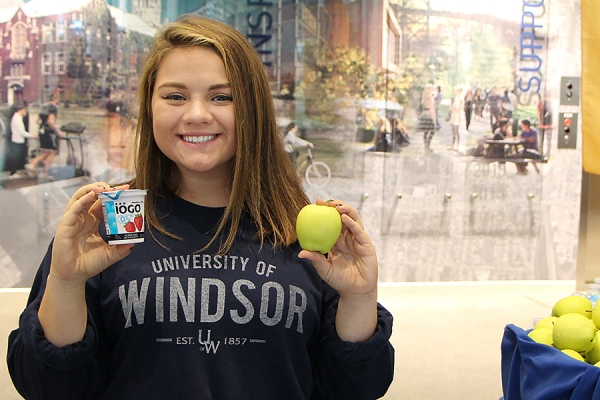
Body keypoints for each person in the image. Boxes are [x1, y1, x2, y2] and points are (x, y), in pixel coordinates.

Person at [7, 15, 394, 400]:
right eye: (175, 96)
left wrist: (359, 298)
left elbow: (355, 388)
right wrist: (65, 282)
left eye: (222, 96)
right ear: (150, 107)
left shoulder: (302, 228)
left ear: (253, 109)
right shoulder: (112, 216)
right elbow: (49, 388)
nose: (195, 114)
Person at [25, 94, 65, 179]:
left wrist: (43, 125)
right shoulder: (54, 108)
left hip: (41, 131)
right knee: (52, 152)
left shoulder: (44, 107)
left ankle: (33, 164)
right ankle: (43, 172)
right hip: (49, 133)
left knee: (46, 152)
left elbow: (36, 121)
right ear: (56, 100)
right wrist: (58, 132)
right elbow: (50, 121)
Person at [6, 103, 37, 178]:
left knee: (16, 156)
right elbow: (22, 132)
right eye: (24, 110)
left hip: (16, 139)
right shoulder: (18, 119)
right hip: (17, 140)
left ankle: (14, 172)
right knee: (15, 157)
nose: (25, 112)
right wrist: (32, 135)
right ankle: (13, 173)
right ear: (21, 110)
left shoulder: (16, 117)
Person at [418, 84, 437, 153]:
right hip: (429, 115)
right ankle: (427, 146)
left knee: (426, 131)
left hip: (425, 114)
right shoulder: (429, 97)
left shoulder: (425, 96)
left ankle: (426, 146)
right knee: (432, 130)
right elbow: (431, 107)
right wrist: (434, 117)